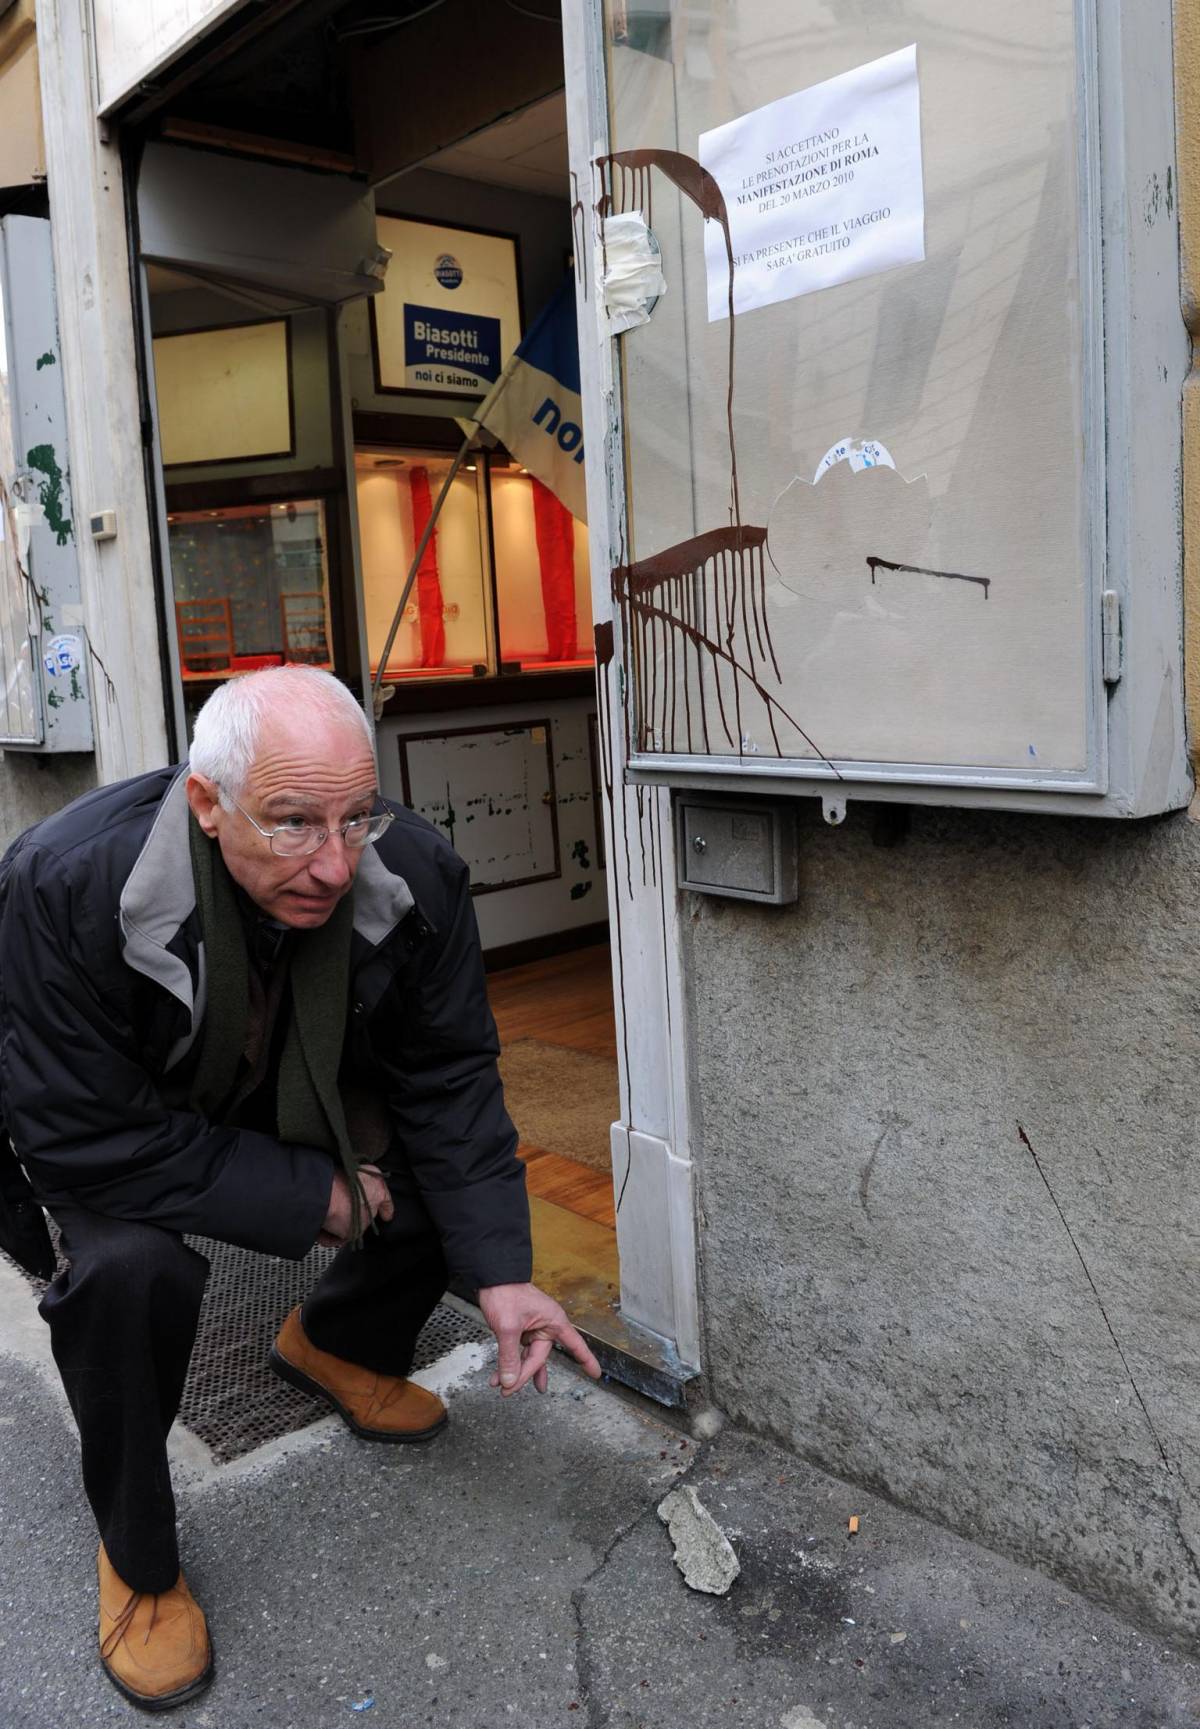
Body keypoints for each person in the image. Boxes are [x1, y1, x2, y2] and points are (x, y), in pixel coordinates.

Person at [0, 665, 600, 1711]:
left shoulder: (411, 873)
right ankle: (139, 1562)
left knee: (420, 1172)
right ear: (204, 801)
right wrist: (316, 1193)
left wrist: (501, 1269)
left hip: (278, 1074)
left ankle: (336, 1341)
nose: (331, 864)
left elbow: (450, 1078)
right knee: (128, 1270)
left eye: (355, 817)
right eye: (289, 824)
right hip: (120, 1117)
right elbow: (81, 1135)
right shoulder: (65, 880)